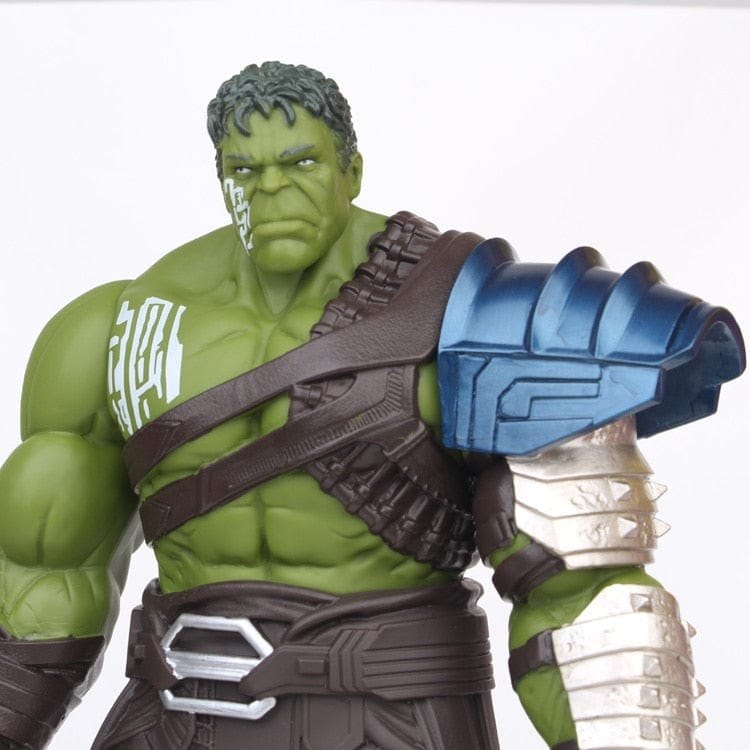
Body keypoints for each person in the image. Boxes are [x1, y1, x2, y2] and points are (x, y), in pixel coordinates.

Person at [0, 61, 743, 750]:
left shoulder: (475, 315)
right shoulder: (121, 326)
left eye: (300, 164)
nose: (271, 191)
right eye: (245, 170)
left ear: (351, 169)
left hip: (390, 720)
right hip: (171, 720)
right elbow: (42, 583)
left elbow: (585, 601)